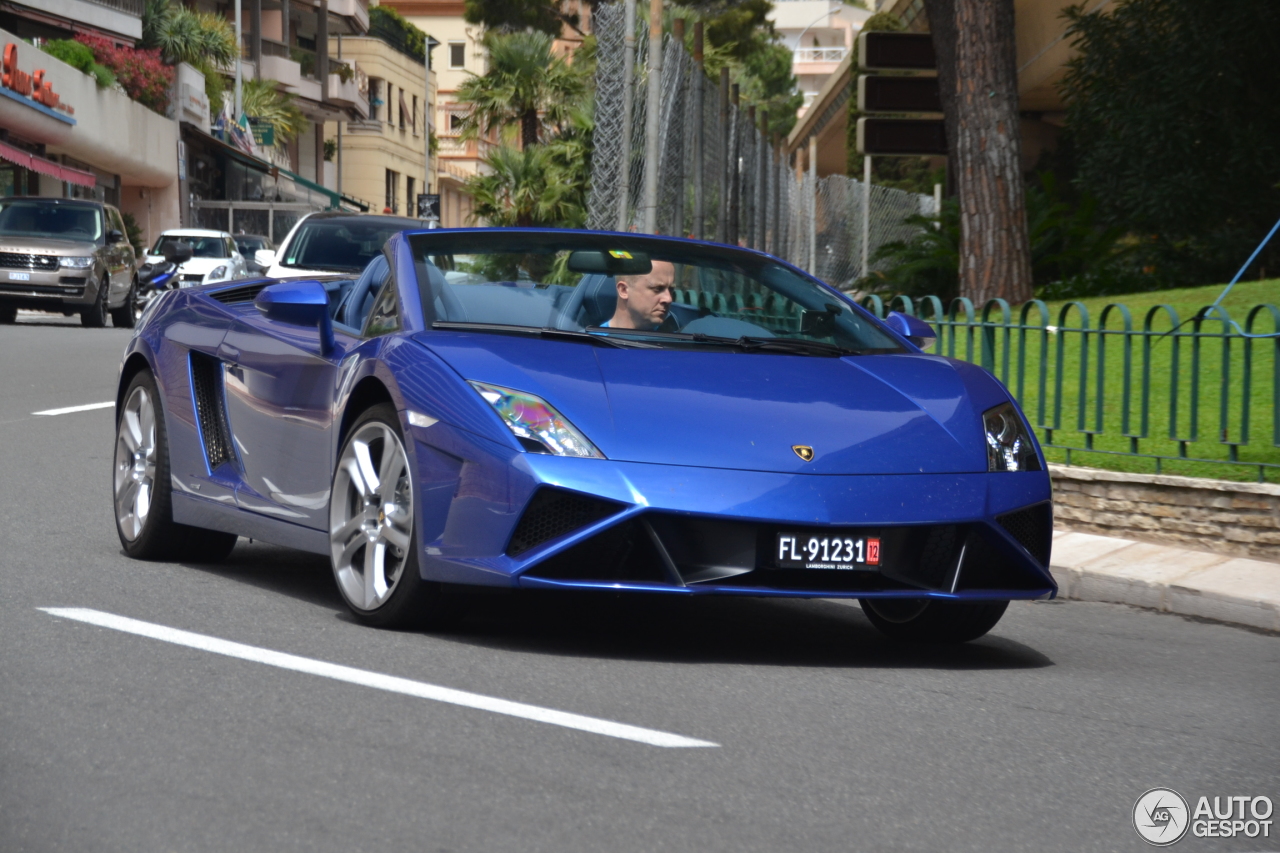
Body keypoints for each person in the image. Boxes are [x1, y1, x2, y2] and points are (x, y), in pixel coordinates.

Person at [603, 259, 675, 329]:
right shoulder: (596, 339)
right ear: (623, 290)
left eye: (671, 290)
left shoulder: (675, 339)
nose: (669, 299)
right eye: (657, 289)